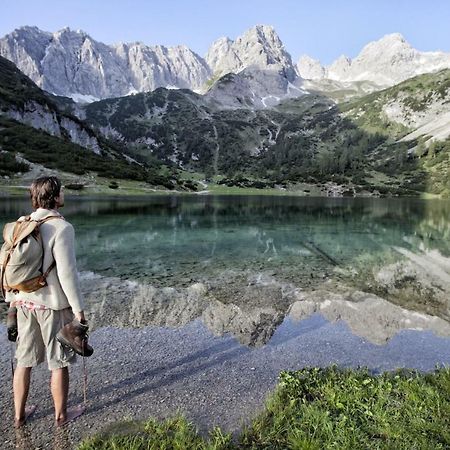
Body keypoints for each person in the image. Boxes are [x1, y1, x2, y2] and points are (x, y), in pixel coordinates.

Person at [5, 176, 87, 428]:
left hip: (22, 302)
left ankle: (19, 416)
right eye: (61, 192)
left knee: (24, 360)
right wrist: (78, 310)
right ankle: (61, 415)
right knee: (59, 361)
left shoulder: (22, 223)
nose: (64, 195)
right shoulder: (62, 228)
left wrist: (11, 300)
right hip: (51, 305)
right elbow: (67, 273)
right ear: (55, 196)